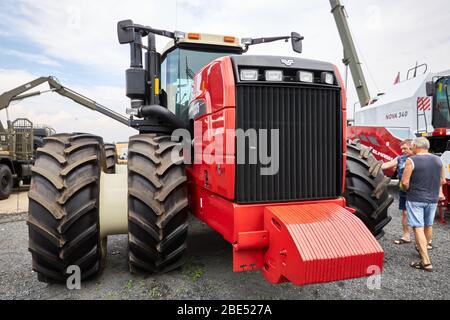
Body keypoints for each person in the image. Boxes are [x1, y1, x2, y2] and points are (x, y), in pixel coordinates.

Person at [401, 137, 446, 272]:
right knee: (428, 224)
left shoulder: (411, 160)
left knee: (418, 227)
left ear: (414, 145)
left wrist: (406, 189)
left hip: (416, 198)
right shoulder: (438, 160)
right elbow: (443, 180)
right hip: (432, 199)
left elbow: (404, 183)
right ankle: (424, 249)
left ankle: (426, 262)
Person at [381, 139, 413, 244]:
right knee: (404, 213)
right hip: (404, 190)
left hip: (416, 191)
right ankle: (406, 235)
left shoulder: (418, 159)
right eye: (402, 148)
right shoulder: (400, 158)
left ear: (412, 147)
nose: (402, 151)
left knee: (419, 213)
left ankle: (426, 240)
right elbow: (386, 165)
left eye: (405, 148)